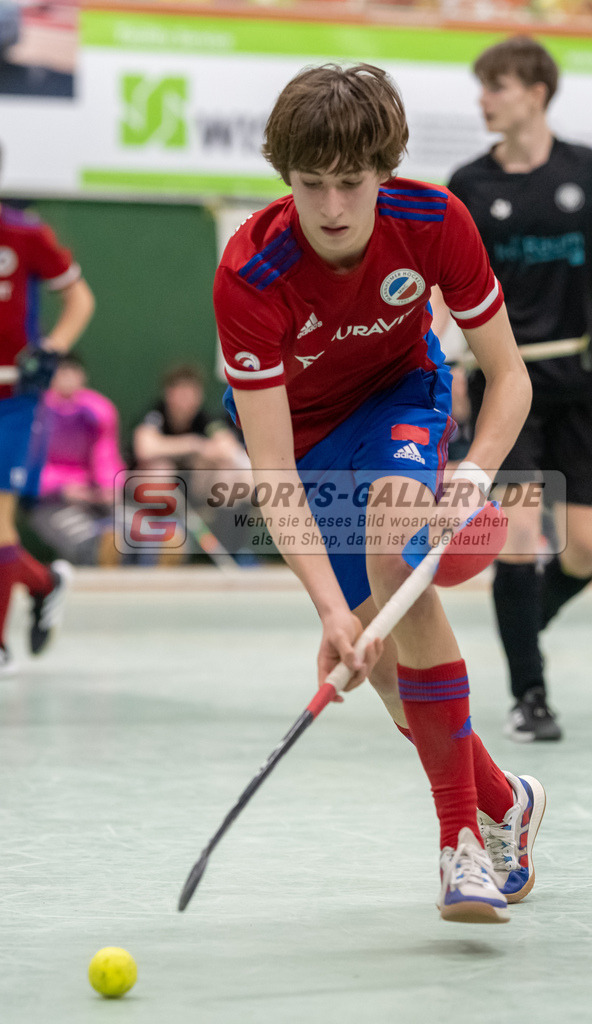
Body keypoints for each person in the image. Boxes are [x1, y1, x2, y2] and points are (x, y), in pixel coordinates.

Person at [213, 62, 545, 924]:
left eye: (350, 184)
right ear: (285, 178)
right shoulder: (251, 272)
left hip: (400, 396)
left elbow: (509, 378)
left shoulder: (434, 222)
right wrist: (330, 614)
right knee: (385, 663)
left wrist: (466, 479)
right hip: (303, 434)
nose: (331, 209)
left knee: (401, 557)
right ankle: (505, 801)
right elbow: (275, 476)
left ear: (383, 171)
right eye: (310, 185)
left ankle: (458, 845)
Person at [444, 36, 592, 742]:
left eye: (496, 86)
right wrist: (444, 362)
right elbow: (448, 292)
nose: (484, 99)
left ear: (534, 93)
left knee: (585, 551)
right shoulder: (468, 186)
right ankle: (528, 696)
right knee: (515, 534)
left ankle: (522, 629)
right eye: (482, 87)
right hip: (506, 385)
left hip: (580, 387)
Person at [0, 157, 95, 674]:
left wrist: (52, 348)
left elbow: (79, 298)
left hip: (13, 398)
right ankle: (45, 582)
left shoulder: (24, 234)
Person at [132, 362, 253, 561]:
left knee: (231, 476)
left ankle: (229, 550)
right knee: (160, 470)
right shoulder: (155, 415)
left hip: (194, 491)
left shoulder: (205, 420)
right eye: (182, 392)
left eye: (193, 392)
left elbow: (227, 447)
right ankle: (158, 545)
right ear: (169, 393)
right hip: (152, 494)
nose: (188, 399)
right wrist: (193, 444)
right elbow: (144, 448)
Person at [27, 353, 125, 566]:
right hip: (49, 502)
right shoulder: (35, 410)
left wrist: (109, 487)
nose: (68, 377)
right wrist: (62, 489)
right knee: (84, 542)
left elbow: (106, 455)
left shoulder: (98, 409)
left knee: (127, 529)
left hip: (92, 497)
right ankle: (96, 549)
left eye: (73, 371)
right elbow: (29, 466)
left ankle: (148, 549)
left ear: (83, 376)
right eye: (62, 372)